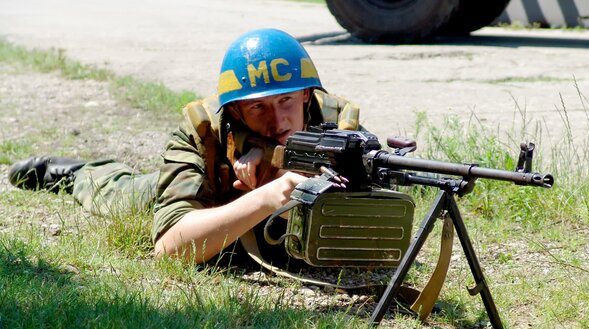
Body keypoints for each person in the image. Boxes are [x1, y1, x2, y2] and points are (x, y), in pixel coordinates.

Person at [8, 28, 362, 265]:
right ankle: (76, 173)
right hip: (205, 196)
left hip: (236, 218)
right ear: (236, 109)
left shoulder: (341, 133)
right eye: (258, 107)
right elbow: (169, 248)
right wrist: (272, 196)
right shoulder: (203, 132)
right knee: (122, 192)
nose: (277, 121)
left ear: (305, 94)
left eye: (285, 100)